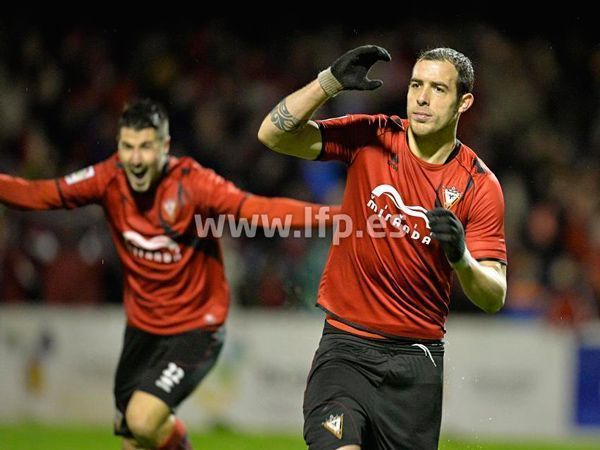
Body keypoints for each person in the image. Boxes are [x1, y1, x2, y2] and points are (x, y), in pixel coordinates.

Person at [0, 99, 336, 450]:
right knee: (136, 438)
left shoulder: (193, 183)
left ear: (164, 145)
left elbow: (257, 210)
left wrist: (335, 216)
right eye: (128, 147)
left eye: (146, 147)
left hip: (196, 327)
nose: (136, 159)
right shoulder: (108, 177)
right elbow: (42, 194)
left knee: (143, 419)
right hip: (142, 328)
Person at [258, 45, 507, 449]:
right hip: (345, 350)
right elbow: (272, 134)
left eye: (438, 89)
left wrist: (461, 257)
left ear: (464, 102)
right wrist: (329, 83)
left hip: (415, 366)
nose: (422, 98)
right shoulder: (373, 135)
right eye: (416, 85)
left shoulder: (480, 186)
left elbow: (494, 295)